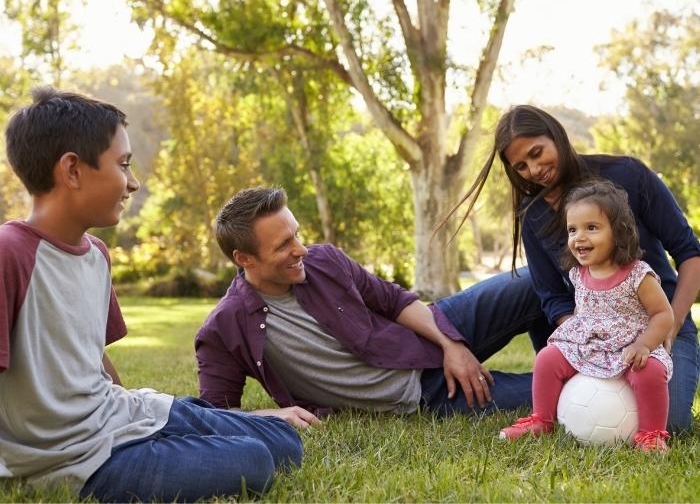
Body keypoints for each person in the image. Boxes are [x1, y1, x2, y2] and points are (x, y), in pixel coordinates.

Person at [0, 88, 302, 503]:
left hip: (119, 415)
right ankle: (202, 428)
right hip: (75, 458)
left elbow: (93, 359)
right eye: (123, 165)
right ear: (72, 170)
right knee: (256, 461)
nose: (134, 182)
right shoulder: (9, 253)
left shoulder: (96, 256)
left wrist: (144, 419)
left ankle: (207, 421)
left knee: (287, 442)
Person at [443, 105, 700, 433]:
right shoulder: (533, 214)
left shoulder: (629, 175)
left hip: (658, 325)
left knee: (672, 423)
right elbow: (551, 296)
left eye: (537, 153)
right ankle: (543, 403)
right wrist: (587, 341)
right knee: (577, 405)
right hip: (592, 334)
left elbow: (690, 253)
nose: (534, 170)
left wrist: (670, 326)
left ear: (556, 135)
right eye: (521, 166)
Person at [195, 186, 540, 426]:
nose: (301, 249)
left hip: (431, 327)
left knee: (538, 278)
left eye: (297, 234)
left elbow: (394, 301)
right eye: (284, 245)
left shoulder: (324, 260)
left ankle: (580, 344)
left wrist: (451, 343)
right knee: (557, 391)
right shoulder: (223, 328)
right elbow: (213, 413)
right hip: (425, 393)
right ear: (245, 258)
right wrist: (268, 414)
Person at [499, 180, 673, 452]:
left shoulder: (638, 274)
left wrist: (646, 345)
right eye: (572, 229)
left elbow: (663, 314)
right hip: (590, 343)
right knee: (547, 358)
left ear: (618, 232)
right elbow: (585, 311)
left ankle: (651, 434)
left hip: (629, 345)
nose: (579, 237)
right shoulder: (578, 274)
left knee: (650, 372)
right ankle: (541, 420)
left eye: (591, 228)